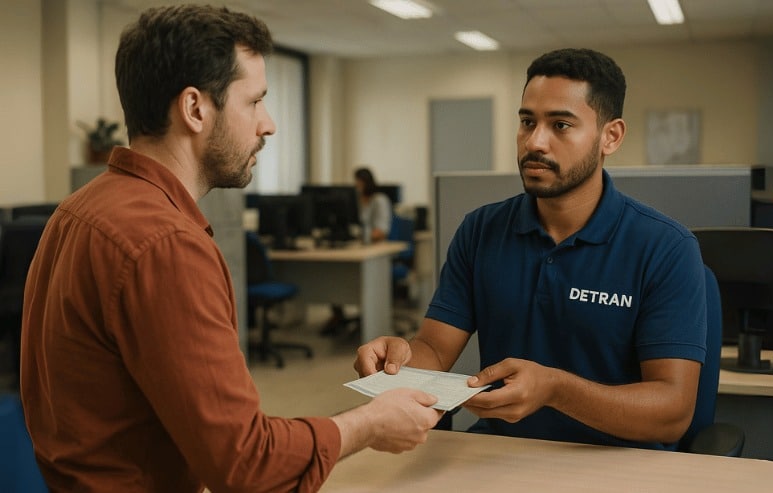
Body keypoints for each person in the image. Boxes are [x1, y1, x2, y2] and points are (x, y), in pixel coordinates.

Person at [20, 5, 440, 493]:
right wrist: (370, 423)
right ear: (195, 108)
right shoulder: (167, 245)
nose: (269, 124)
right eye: (255, 101)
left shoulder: (75, 210)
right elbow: (247, 466)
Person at [354, 48, 708, 451]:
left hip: (617, 462)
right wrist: (397, 361)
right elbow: (434, 348)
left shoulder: (665, 247)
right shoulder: (481, 229)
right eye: (527, 122)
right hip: (501, 453)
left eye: (560, 124)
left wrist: (556, 389)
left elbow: (673, 413)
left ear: (610, 136)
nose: (535, 141)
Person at [320, 167, 393, 336]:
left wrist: (359, 234)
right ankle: (338, 315)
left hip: (376, 250)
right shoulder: (355, 200)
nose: (357, 185)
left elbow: (381, 231)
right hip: (356, 247)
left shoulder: (379, 200)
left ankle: (369, 321)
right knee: (332, 273)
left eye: (359, 181)